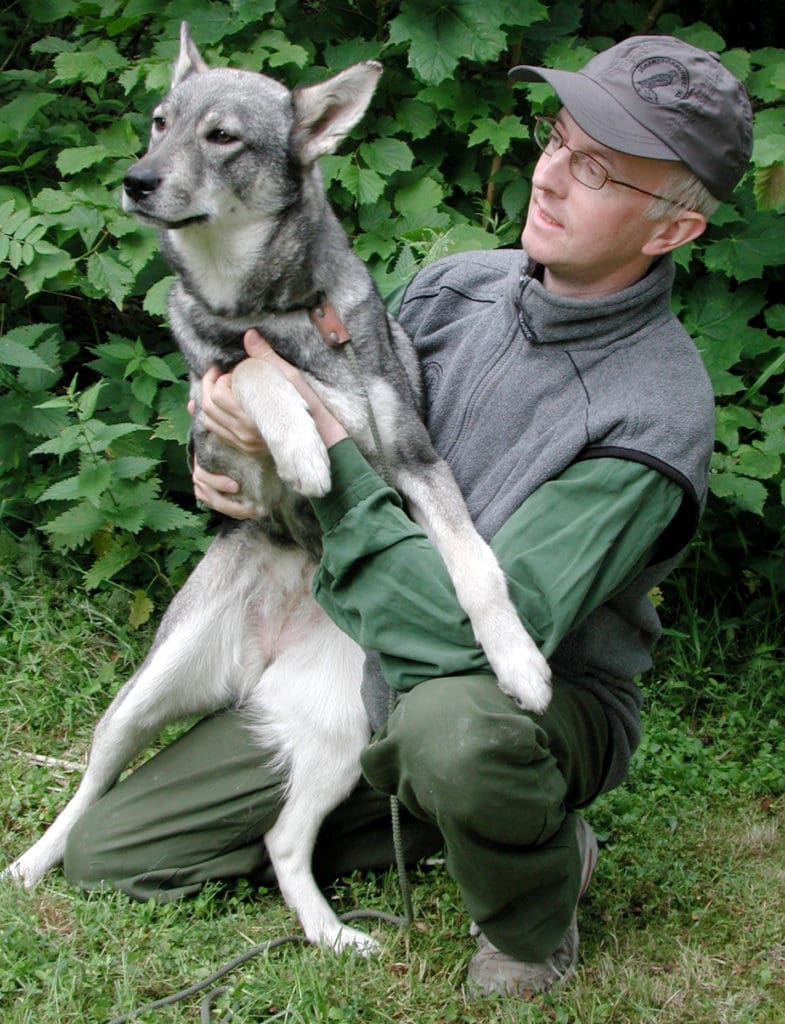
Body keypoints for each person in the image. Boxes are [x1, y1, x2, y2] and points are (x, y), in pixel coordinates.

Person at [64, 36, 752, 996]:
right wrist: (223, 450)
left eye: (596, 172)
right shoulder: (456, 286)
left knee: (456, 734)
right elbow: (282, 413)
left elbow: (468, 639)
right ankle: (416, 807)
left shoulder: (649, 415)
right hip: (346, 643)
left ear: (670, 232)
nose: (550, 178)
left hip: (516, 693)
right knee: (115, 854)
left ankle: (530, 887)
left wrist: (324, 459)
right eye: (557, 140)